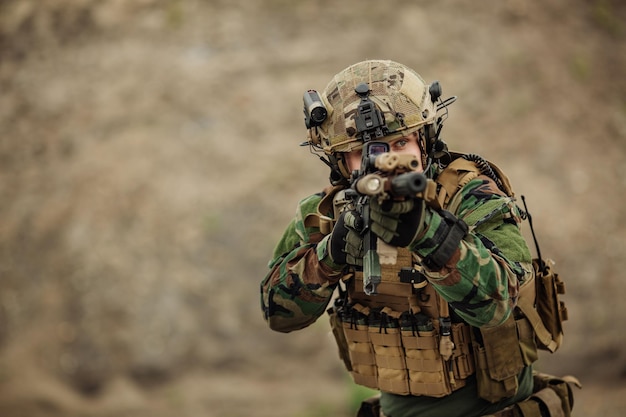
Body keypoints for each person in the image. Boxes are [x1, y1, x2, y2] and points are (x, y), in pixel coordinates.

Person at [260, 60, 559, 417]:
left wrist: (428, 235)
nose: (390, 161)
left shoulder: (469, 194)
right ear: (340, 162)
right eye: (367, 153)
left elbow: (499, 304)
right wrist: (330, 254)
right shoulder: (326, 213)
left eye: (401, 141)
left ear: (425, 139)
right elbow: (277, 314)